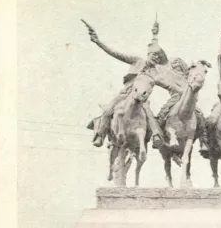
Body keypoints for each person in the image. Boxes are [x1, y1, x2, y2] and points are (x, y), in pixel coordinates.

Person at [83, 19, 167, 149]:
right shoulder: (137, 61)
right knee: (108, 110)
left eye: (159, 58)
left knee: (151, 116)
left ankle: (156, 136)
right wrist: (98, 42)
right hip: (125, 95)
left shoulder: (156, 72)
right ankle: (100, 134)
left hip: (142, 100)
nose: (156, 58)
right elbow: (115, 54)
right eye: (154, 55)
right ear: (148, 54)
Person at [155, 57, 210, 157]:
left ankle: (204, 141)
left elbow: (195, 73)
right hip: (175, 98)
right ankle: (157, 135)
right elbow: (159, 80)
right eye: (175, 62)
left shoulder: (186, 76)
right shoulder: (169, 75)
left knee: (200, 116)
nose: (177, 63)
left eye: (180, 62)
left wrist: (200, 63)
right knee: (162, 113)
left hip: (189, 99)